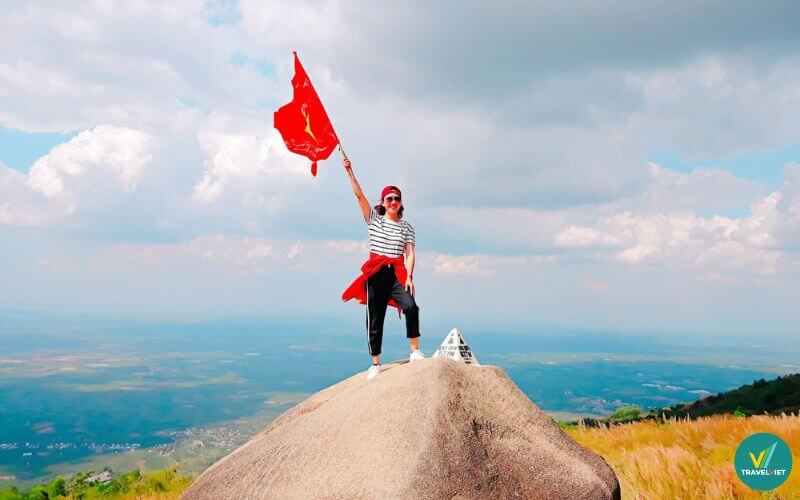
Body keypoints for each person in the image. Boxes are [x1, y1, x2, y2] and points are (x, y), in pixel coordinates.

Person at [341, 157, 425, 380]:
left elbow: (410, 253)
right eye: (389, 198)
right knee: (375, 317)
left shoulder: (407, 227)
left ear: (401, 203)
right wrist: (350, 171)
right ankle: (376, 363)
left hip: (396, 273)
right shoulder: (374, 220)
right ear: (383, 201)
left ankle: (414, 351)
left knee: (411, 306)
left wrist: (410, 276)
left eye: (397, 198)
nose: (393, 202)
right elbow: (359, 196)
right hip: (377, 273)